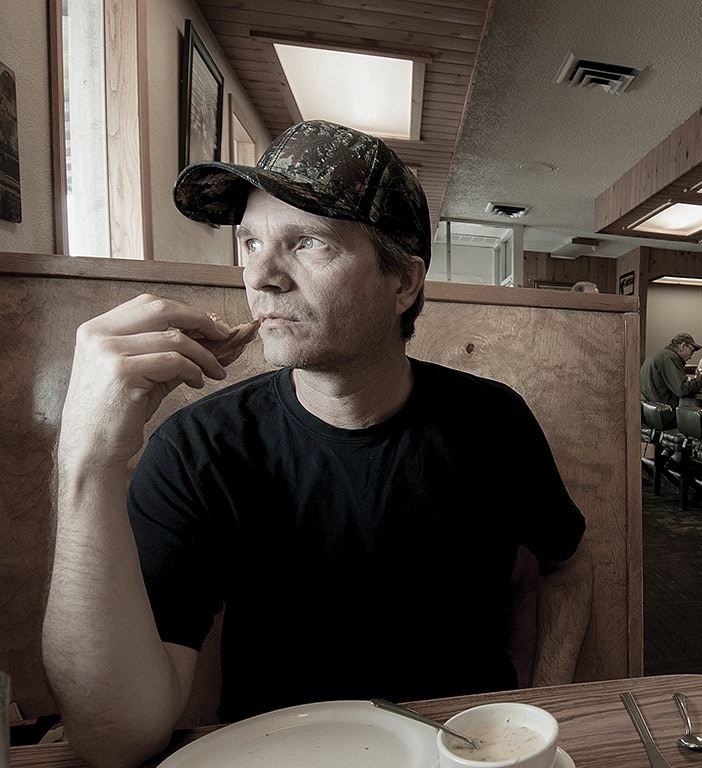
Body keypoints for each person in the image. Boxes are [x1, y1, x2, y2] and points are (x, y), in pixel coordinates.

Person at [42, 120, 593, 768]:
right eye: (250, 242)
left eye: (307, 243)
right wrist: (87, 463)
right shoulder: (200, 450)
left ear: (403, 283)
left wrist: (547, 707)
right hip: (277, 752)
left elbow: (569, 567)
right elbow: (113, 740)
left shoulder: (492, 423)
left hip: (467, 752)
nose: (263, 276)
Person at [640, 332, 702, 409]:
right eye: (691, 351)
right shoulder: (671, 358)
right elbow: (682, 390)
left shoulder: (658, 356)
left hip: (649, 413)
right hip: (663, 414)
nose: (690, 357)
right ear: (683, 346)